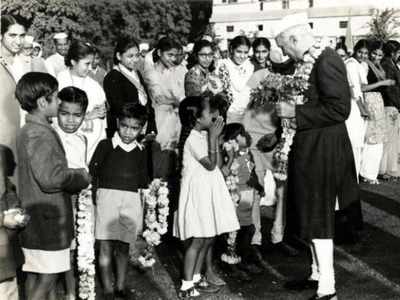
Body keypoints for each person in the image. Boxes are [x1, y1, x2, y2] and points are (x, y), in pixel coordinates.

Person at [275, 14, 359, 300]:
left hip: (324, 151)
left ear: (296, 39)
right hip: (310, 148)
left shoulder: (327, 60)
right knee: (308, 212)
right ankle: (315, 273)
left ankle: (328, 288)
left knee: (319, 214)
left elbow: (339, 109)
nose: (284, 53)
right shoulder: (307, 63)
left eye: (284, 47)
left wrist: (294, 113)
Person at [15, 72, 90, 300]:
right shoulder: (40, 134)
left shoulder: (29, 129)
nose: (59, 102)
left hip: (36, 219)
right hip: (47, 221)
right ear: (42, 102)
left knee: (36, 275)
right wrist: (81, 176)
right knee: (47, 277)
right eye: (56, 98)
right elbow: (50, 178)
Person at [173, 96, 239, 298]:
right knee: (197, 239)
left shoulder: (202, 135)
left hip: (207, 192)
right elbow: (209, 165)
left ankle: (195, 277)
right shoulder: (193, 138)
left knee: (207, 237)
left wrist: (215, 139)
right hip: (197, 195)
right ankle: (186, 286)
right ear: (197, 118)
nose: (215, 115)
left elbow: (217, 164)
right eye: (211, 113)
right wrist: (212, 137)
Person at [89, 103, 151, 300]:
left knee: (124, 246)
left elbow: (143, 181)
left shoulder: (141, 151)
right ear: (117, 122)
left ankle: (121, 286)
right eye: (124, 126)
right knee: (105, 246)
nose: (128, 132)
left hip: (130, 201)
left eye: (134, 128)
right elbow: (93, 172)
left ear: (142, 128)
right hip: (107, 199)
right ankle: (107, 289)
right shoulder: (105, 146)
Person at [54, 86, 90, 300]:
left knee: (76, 247)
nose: (70, 120)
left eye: (77, 115)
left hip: (79, 200)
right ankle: (68, 292)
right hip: (60, 198)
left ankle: (73, 290)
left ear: (84, 115)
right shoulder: (52, 137)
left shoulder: (82, 138)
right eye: (64, 113)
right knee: (64, 247)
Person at [221, 123, 267, 277]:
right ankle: (231, 263)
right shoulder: (230, 156)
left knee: (249, 230)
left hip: (248, 199)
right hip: (236, 199)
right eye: (241, 134)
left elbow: (251, 172)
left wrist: (258, 186)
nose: (245, 135)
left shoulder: (248, 154)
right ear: (232, 140)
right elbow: (225, 174)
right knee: (235, 232)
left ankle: (243, 261)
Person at [143, 37, 186, 179]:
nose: (173, 59)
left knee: (175, 163)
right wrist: (177, 101)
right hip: (160, 122)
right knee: (160, 165)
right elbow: (158, 98)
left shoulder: (175, 71)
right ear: (160, 53)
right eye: (170, 55)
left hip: (176, 122)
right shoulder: (151, 73)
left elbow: (181, 98)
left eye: (175, 55)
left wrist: (174, 101)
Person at [57, 40, 107, 161]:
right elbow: (57, 115)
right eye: (86, 64)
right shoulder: (60, 80)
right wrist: (88, 116)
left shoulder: (94, 85)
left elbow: (102, 116)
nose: (90, 68)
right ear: (73, 62)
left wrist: (101, 113)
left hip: (93, 143)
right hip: (68, 142)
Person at [103, 37, 156, 138]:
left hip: (143, 126)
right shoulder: (113, 76)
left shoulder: (136, 73)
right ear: (119, 56)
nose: (135, 60)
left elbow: (147, 101)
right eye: (130, 56)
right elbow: (118, 107)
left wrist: (152, 126)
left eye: (137, 55)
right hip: (126, 129)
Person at [360, 41, 395, 184]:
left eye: (380, 55)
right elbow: (363, 87)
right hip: (370, 101)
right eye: (374, 53)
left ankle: (371, 172)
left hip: (378, 102)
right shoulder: (365, 65)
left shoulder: (378, 66)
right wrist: (382, 83)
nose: (376, 57)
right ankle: (367, 173)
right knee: (371, 138)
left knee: (378, 138)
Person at [0, 14, 26, 187]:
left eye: (22, 36)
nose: (18, 41)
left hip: (21, 136)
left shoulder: (24, 63)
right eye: (12, 35)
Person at [0, 145, 27, 300]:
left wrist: (20, 216)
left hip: (8, 259)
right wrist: (4, 219)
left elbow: (16, 206)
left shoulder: (8, 185)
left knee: (9, 293)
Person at [215, 36, 254, 123]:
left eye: (246, 52)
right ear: (232, 49)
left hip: (247, 114)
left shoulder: (250, 66)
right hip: (228, 114)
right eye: (239, 51)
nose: (242, 56)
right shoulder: (222, 65)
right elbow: (237, 87)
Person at [344, 39, 369, 177]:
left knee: (357, 141)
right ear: (355, 50)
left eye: (365, 53)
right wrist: (362, 108)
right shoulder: (351, 65)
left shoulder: (360, 64)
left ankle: (353, 175)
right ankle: (350, 176)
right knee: (353, 140)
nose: (362, 55)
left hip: (358, 103)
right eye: (360, 52)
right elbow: (354, 89)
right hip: (353, 105)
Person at [379, 40, 400, 180]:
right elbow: (390, 89)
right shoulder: (388, 65)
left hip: (392, 104)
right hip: (391, 105)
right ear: (393, 52)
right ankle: (388, 170)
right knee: (391, 139)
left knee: (392, 138)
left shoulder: (390, 64)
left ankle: (388, 168)